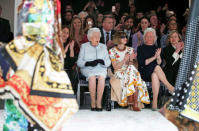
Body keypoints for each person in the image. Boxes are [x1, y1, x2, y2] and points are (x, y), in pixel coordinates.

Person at [109, 31, 150, 111]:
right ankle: (134, 102)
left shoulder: (130, 49)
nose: (125, 39)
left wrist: (131, 60)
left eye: (126, 37)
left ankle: (132, 100)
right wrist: (124, 59)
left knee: (131, 69)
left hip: (130, 71)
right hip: (119, 72)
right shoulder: (112, 51)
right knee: (134, 75)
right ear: (118, 39)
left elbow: (132, 65)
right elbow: (115, 67)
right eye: (123, 37)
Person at [137, 28, 175, 110]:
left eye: (151, 36)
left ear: (154, 38)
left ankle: (154, 102)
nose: (149, 38)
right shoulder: (140, 48)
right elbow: (143, 63)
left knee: (155, 75)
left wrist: (158, 57)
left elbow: (159, 63)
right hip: (144, 72)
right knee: (156, 68)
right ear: (144, 38)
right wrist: (154, 57)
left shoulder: (157, 48)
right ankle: (170, 87)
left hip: (156, 73)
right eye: (147, 36)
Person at [77, 27, 111, 111]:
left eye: (99, 37)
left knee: (101, 77)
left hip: (100, 68)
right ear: (90, 38)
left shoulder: (103, 46)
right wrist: (88, 63)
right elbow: (79, 62)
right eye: (96, 36)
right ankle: (93, 102)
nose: (98, 38)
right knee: (91, 77)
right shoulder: (84, 46)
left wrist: (102, 62)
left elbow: (108, 62)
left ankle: (99, 102)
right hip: (88, 69)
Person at [62, 25, 79, 94]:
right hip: (57, 68)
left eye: (67, 33)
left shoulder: (70, 43)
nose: (65, 34)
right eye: (63, 32)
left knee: (73, 73)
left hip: (67, 69)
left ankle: (71, 96)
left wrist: (71, 48)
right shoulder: (55, 43)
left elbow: (72, 62)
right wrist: (65, 50)